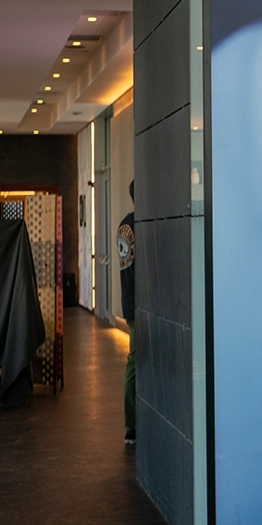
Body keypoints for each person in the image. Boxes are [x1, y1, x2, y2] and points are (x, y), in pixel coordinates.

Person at [117, 182, 135, 445]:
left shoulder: (125, 225)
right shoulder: (137, 226)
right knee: (136, 360)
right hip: (138, 303)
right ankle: (131, 425)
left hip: (131, 301)